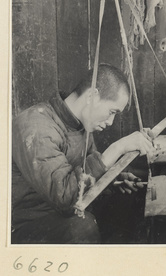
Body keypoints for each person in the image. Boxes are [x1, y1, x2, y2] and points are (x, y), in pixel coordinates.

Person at [12, 63, 155, 244]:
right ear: (92, 96)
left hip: (64, 216)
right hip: (27, 227)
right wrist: (117, 148)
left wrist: (111, 180)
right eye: (112, 112)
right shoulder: (36, 126)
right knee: (82, 227)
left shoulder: (80, 125)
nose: (111, 122)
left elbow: (87, 173)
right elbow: (65, 198)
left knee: (128, 202)